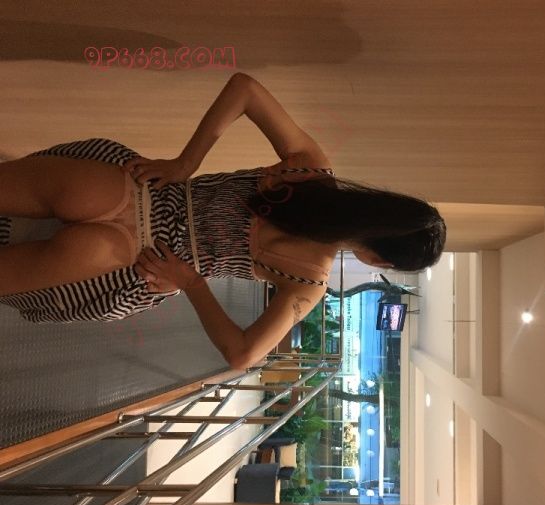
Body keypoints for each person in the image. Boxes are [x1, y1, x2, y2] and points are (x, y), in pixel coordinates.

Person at [0, 72, 446, 369]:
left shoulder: (309, 168)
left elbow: (244, 88)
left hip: (141, 189)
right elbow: (240, 354)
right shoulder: (308, 282)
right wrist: (191, 282)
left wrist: (185, 163)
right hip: (142, 263)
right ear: (380, 261)